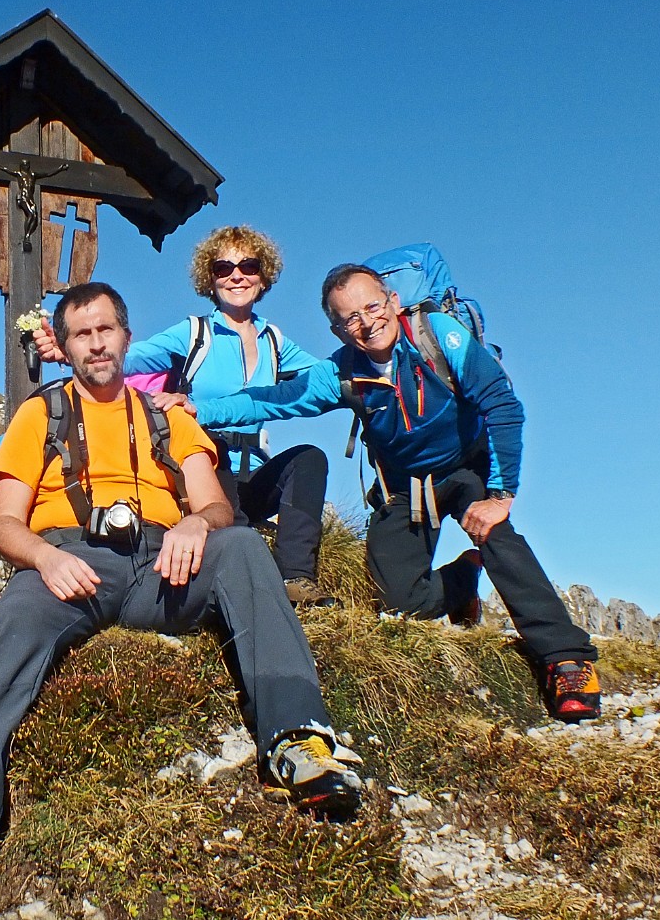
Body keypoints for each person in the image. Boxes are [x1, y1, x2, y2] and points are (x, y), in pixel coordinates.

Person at [0, 282, 364, 891]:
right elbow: (3, 520)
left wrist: (196, 523)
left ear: (125, 335)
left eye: (106, 330)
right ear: (65, 346)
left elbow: (216, 506)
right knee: (16, 611)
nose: (96, 344)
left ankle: (300, 741)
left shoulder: (168, 416)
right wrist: (42, 556)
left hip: (162, 563)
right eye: (81, 334)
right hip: (74, 561)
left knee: (245, 547)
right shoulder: (41, 413)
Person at [175, 263, 601, 723]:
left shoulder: (439, 337)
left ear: (393, 303)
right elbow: (271, 399)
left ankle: (565, 656)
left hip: (466, 469)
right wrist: (198, 408)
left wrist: (499, 496)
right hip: (406, 486)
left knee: (497, 534)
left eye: (372, 307)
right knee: (400, 603)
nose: (366, 322)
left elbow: (502, 404)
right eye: (349, 318)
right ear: (336, 329)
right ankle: (462, 582)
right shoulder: (341, 373)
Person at [34, 226, 333, 606]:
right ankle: (250, 585)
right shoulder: (194, 333)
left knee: (309, 459)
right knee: (217, 465)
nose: (237, 275)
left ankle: (296, 579)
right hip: (204, 464)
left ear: (264, 274)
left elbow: (326, 378)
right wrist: (67, 351)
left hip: (254, 468)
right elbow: (131, 353)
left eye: (249, 265)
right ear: (210, 278)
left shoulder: (276, 341)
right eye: (224, 268)